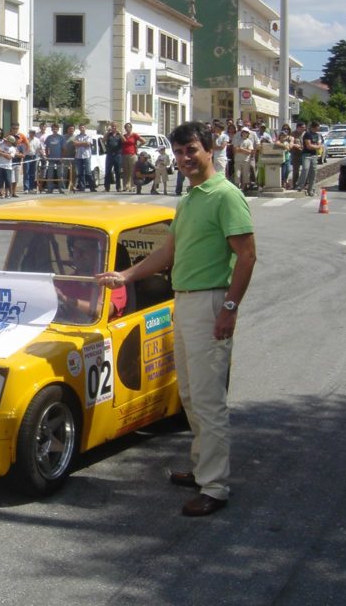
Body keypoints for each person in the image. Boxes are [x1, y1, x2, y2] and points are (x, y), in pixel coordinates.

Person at [97, 121, 256, 517]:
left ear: (210, 149)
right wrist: (126, 276)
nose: (185, 159)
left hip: (210, 304)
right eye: (180, 152)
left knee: (207, 399)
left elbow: (247, 256)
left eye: (192, 151)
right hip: (184, 302)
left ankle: (215, 487)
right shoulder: (189, 198)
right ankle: (204, 469)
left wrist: (229, 309)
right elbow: (167, 253)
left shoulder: (225, 196)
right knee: (189, 396)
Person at [55, 237, 127, 321]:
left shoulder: (113, 283)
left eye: (84, 250)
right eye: (75, 249)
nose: (78, 254)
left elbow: (102, 312)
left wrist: (66, 299)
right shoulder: (63, 282)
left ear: (98, 254)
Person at [299, 121, 323, 196]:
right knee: (305, 169)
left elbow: (320, 145)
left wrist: (315, 146)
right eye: (318, 126)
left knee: (313, 172)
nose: (319, 128)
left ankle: (311, 189)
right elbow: (308, 146)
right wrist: (316, 146)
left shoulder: (318, 135)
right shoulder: (307, 134)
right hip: (306, 155)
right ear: (314, 127)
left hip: (314, 155)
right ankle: (300, 185)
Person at [120, 123, 144, 193]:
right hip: (124, 155)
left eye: (129, 127)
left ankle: (133, 186)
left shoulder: (134, 135)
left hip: (132, 155)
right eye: (126, 127)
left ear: (131, 128)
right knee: (125, 171)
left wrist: (138, 146)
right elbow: (123, 142)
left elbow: (143, 141)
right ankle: (125, 186)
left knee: (132, 171)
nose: (127, 129)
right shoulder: (124, 136)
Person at [41, 123, 65, 194]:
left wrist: (62, 157)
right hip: (51, 158)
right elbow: (46, 147)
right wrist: (47, 156)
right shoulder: (49, 137)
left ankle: (61, 189)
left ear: (58, 129)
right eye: (53, 128)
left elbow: (63, 148)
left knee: (60, 174)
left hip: (59, 158)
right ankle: (49, 189)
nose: (54, 130)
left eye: (56, 129)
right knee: (50, 174)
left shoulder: (61, 137)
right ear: (51, 129)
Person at [73, 124, 96, 192]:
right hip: (79, 156)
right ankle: (82, 187)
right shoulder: (77, 136)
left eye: (83, 128)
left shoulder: (88, 136)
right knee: (80, 172)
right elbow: (75, 144)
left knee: (88, 172)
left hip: (86, 156)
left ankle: (92, 187)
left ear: (85, 128)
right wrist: (83, 143)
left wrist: (79, 143)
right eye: (80, 128)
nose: (81, 129)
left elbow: (88, 144)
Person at [103, 122, 123, 191]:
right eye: (112, 126)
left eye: (115, 127)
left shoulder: (119, 135)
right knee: (108, 171)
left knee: (118, 172)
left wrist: (120, 133)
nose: (114, 128)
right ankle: (106, 187)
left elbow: (124, 141)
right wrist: (107, 132)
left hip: (117, 155)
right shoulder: (109, 135)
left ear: (117, 127)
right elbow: (103, 140)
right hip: (109, 155)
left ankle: (118, 187)